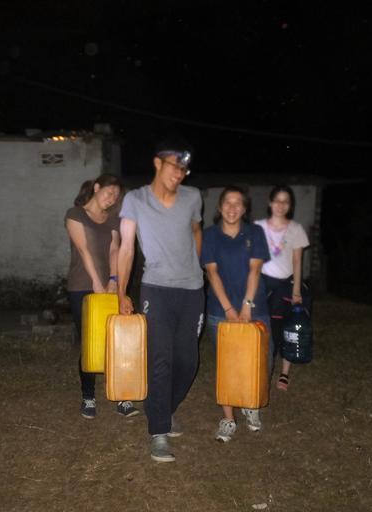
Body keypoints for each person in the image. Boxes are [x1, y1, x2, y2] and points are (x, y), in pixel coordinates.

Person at [117, 136, 205, 463]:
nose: (179, 173)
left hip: (193, 290)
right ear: (157, 163)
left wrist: (196, 266)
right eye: (174, 166)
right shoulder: (135, 200)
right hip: (156, 289)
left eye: (184, 169)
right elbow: (126, 248)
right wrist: (121, 291)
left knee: (188, 362)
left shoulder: (193, 197)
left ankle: (164, 409)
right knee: (161, 360)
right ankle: (158, 431)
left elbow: (196, 231)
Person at [65, 174, 140, 419]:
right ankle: (88, 396)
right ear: (97, 188)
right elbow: (83, 249)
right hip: (81, 286)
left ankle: (121, 396)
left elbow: (115, 249)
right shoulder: (75, 214)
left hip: (110, 287)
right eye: (109, 193)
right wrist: (96, 281)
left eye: (116, 196)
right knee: (90, 341)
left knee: (118, 340)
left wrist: (114, 280)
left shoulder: (113, 219)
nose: (112, 199)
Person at [201, 186, 271, 442]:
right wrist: (229, 309)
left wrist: (246, 305)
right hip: (220, 310)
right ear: (220, 207)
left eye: (238, 203)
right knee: (227, 364)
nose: (232, 208)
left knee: (259, 360)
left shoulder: (255, 232)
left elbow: (255, 270)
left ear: (244, 208)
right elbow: (212, 273)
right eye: (227, 203)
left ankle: (250, 404)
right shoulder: (210, 235)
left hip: (255, 307)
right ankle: (228, 418)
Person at [255, 184, 310, 392]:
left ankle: (284, 372)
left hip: (286, 285)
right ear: (270, 203)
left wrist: (296, 291)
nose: (281, 205)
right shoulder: (258, 227)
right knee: (263, 329)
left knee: (288, 328)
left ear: (290, 205)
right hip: (262, 284)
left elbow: (297, 261)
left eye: (285, 201)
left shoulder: (296, 229)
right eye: (277, 200)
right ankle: (261, 367)